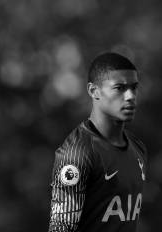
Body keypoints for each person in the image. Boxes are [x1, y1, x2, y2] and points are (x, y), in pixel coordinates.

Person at [48, 52, 147, 232]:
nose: (130, 96)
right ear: (94, 91)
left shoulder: (138, 148)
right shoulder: (77, 152)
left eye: (134, 88)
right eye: (119, 88)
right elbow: (60, 228)